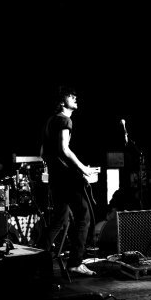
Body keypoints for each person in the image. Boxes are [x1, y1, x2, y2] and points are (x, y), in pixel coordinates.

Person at [39, 86, 97, 276]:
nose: (75, 98)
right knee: (84, 216)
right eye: (71, 96)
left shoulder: (50, 121)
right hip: (67, 179)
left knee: (59, 220)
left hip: (56, 178)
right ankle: (75, 263)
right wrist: (83, 169)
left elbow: (43, 152)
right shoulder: (65, 120)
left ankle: (35, 258)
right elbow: (64, 149)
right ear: (61, 101)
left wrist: (56, 167)